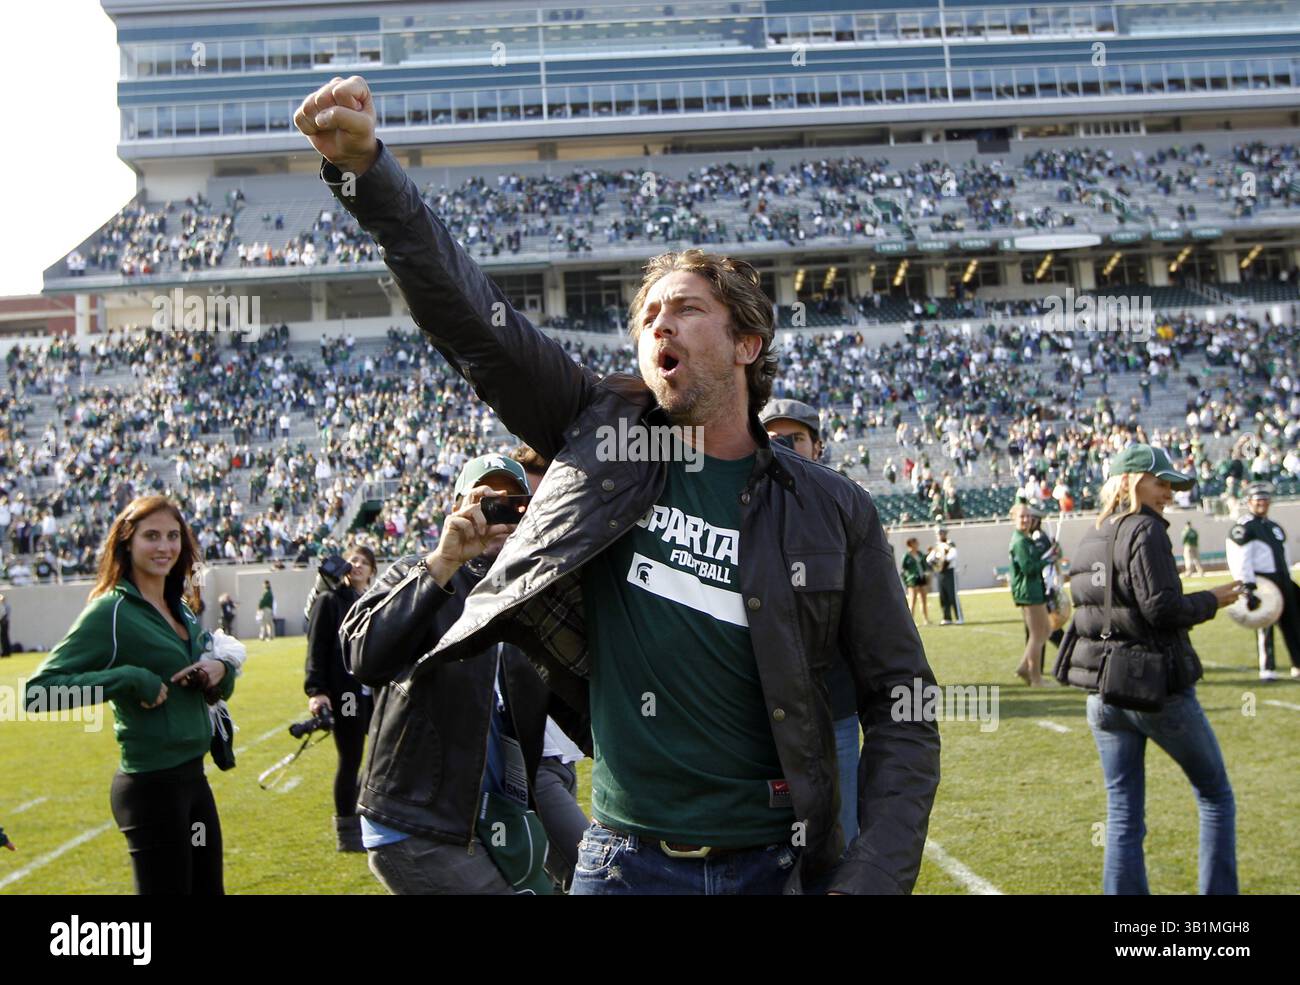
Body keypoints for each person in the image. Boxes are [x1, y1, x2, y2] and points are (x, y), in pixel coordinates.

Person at [299, 76, 939, 895]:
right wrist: (369, 175)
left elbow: (904, 702)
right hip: (621, 864)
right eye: (646, 318)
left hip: (775, 867)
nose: (657, 325)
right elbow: (470, 317)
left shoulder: (832, 506)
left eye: (684, 308)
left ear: (746, 343)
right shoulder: (597, 433)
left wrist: (869, 880)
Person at [342, 454, 587, 894]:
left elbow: (576, 701)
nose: (499, 516)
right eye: (484, 501)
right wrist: (442, 563)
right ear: (456, 508)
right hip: (421, 822)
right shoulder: (417, 575)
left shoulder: (527, 595)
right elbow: (364, 655)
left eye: (513, 505)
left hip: (494, 817)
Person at [24, 495, 241, 894]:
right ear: (127, 541)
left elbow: (211, 682)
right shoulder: (111, 612)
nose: (165, 547)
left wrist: (220, 671)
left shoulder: (180, 607)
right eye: (152, 536)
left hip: (194, 781)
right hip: (151, 789)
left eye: (173, 536)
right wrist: (126, 678)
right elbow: (38, 694)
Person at [1055, 444, 1241, 895]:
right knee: (1216, 796)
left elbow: (1084, 617)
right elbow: (1162, 609)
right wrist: (1212, 599)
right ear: (1132, 481)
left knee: (1122, 812)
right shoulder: (1146, 530)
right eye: (1162, 483)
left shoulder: (1091, 536)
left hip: (1102, 693)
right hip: (1154, 687)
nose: (1169, 495)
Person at [760, 397, 861, 848]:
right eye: (771, 437)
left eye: (794, 438)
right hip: (760, 715)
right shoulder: (738, 508)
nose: (781, 446)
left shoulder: (845, 507)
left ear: (817, 446)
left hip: (833, 705)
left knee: (841, 835)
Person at [304, 546, 376, 852]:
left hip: (372, 693)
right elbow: (316, 648)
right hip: (344, 693)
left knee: (376, 759)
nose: (357, 565)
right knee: (351, 759)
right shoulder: (329, 600)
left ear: (373, 570)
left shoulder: (375, 601)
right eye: (353, 560)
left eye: (364, 562)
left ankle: (365, 817)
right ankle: (347, 832)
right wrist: (316, 690)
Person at [1226, 483, 1300, 681]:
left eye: (1265, 499)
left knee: (1294, 623)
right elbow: (1241, 558)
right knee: (1265, 626)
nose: (1262, 503)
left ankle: (1298, 665)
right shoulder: (1244, 527)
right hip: (1263, 582)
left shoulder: (1274, 527)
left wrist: (1289, 580)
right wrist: (1247, 585)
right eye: (1258, 500)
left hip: (1282, 578)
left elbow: (1284, 555)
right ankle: (1268, 670)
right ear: (1249, 502)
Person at [1008, 503, 1051, 687]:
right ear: (1014, 519)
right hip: (1028, 592)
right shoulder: (1019, 542)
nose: (1026, 520)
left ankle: (1024, 667)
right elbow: (1028, 568)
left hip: (1033, 589)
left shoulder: (1025, 540)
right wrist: (1047, 561)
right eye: (1022, 517)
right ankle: (1035, 678)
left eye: (1028, 516)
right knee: (1037, 634)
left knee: (1046, 630)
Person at [927, 527, 963, 624]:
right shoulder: (937, 546)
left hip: (949, 571)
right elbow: (929, 558)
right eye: (939, 533)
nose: (940, 535)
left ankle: (959, 617)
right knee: (943, 595)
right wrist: (936, 562)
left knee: (952, 595)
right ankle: (947, 618)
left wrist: (943, 559)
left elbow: (953, 555)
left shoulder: (950, 544)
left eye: (942, 533)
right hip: (940, 572)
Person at [900, 537, 932, 625]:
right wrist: (907, 581)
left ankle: (926, 619)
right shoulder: (906, 556)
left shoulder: (920, 553)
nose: (918, 544)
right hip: (913, 580)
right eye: (916, 543)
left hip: (921, 578)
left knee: (924, 599)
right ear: (911, 544)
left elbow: (925, 563)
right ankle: (911, 621)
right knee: (912, 601)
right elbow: (903, 570)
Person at [0, 592, 10, 657]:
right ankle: (6, 652)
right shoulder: (6, 605)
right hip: (5, 622)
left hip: (4, 622)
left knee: (4, 638)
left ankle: (5, 652)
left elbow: (3, 615)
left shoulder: (4, 606)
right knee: (4, 638)